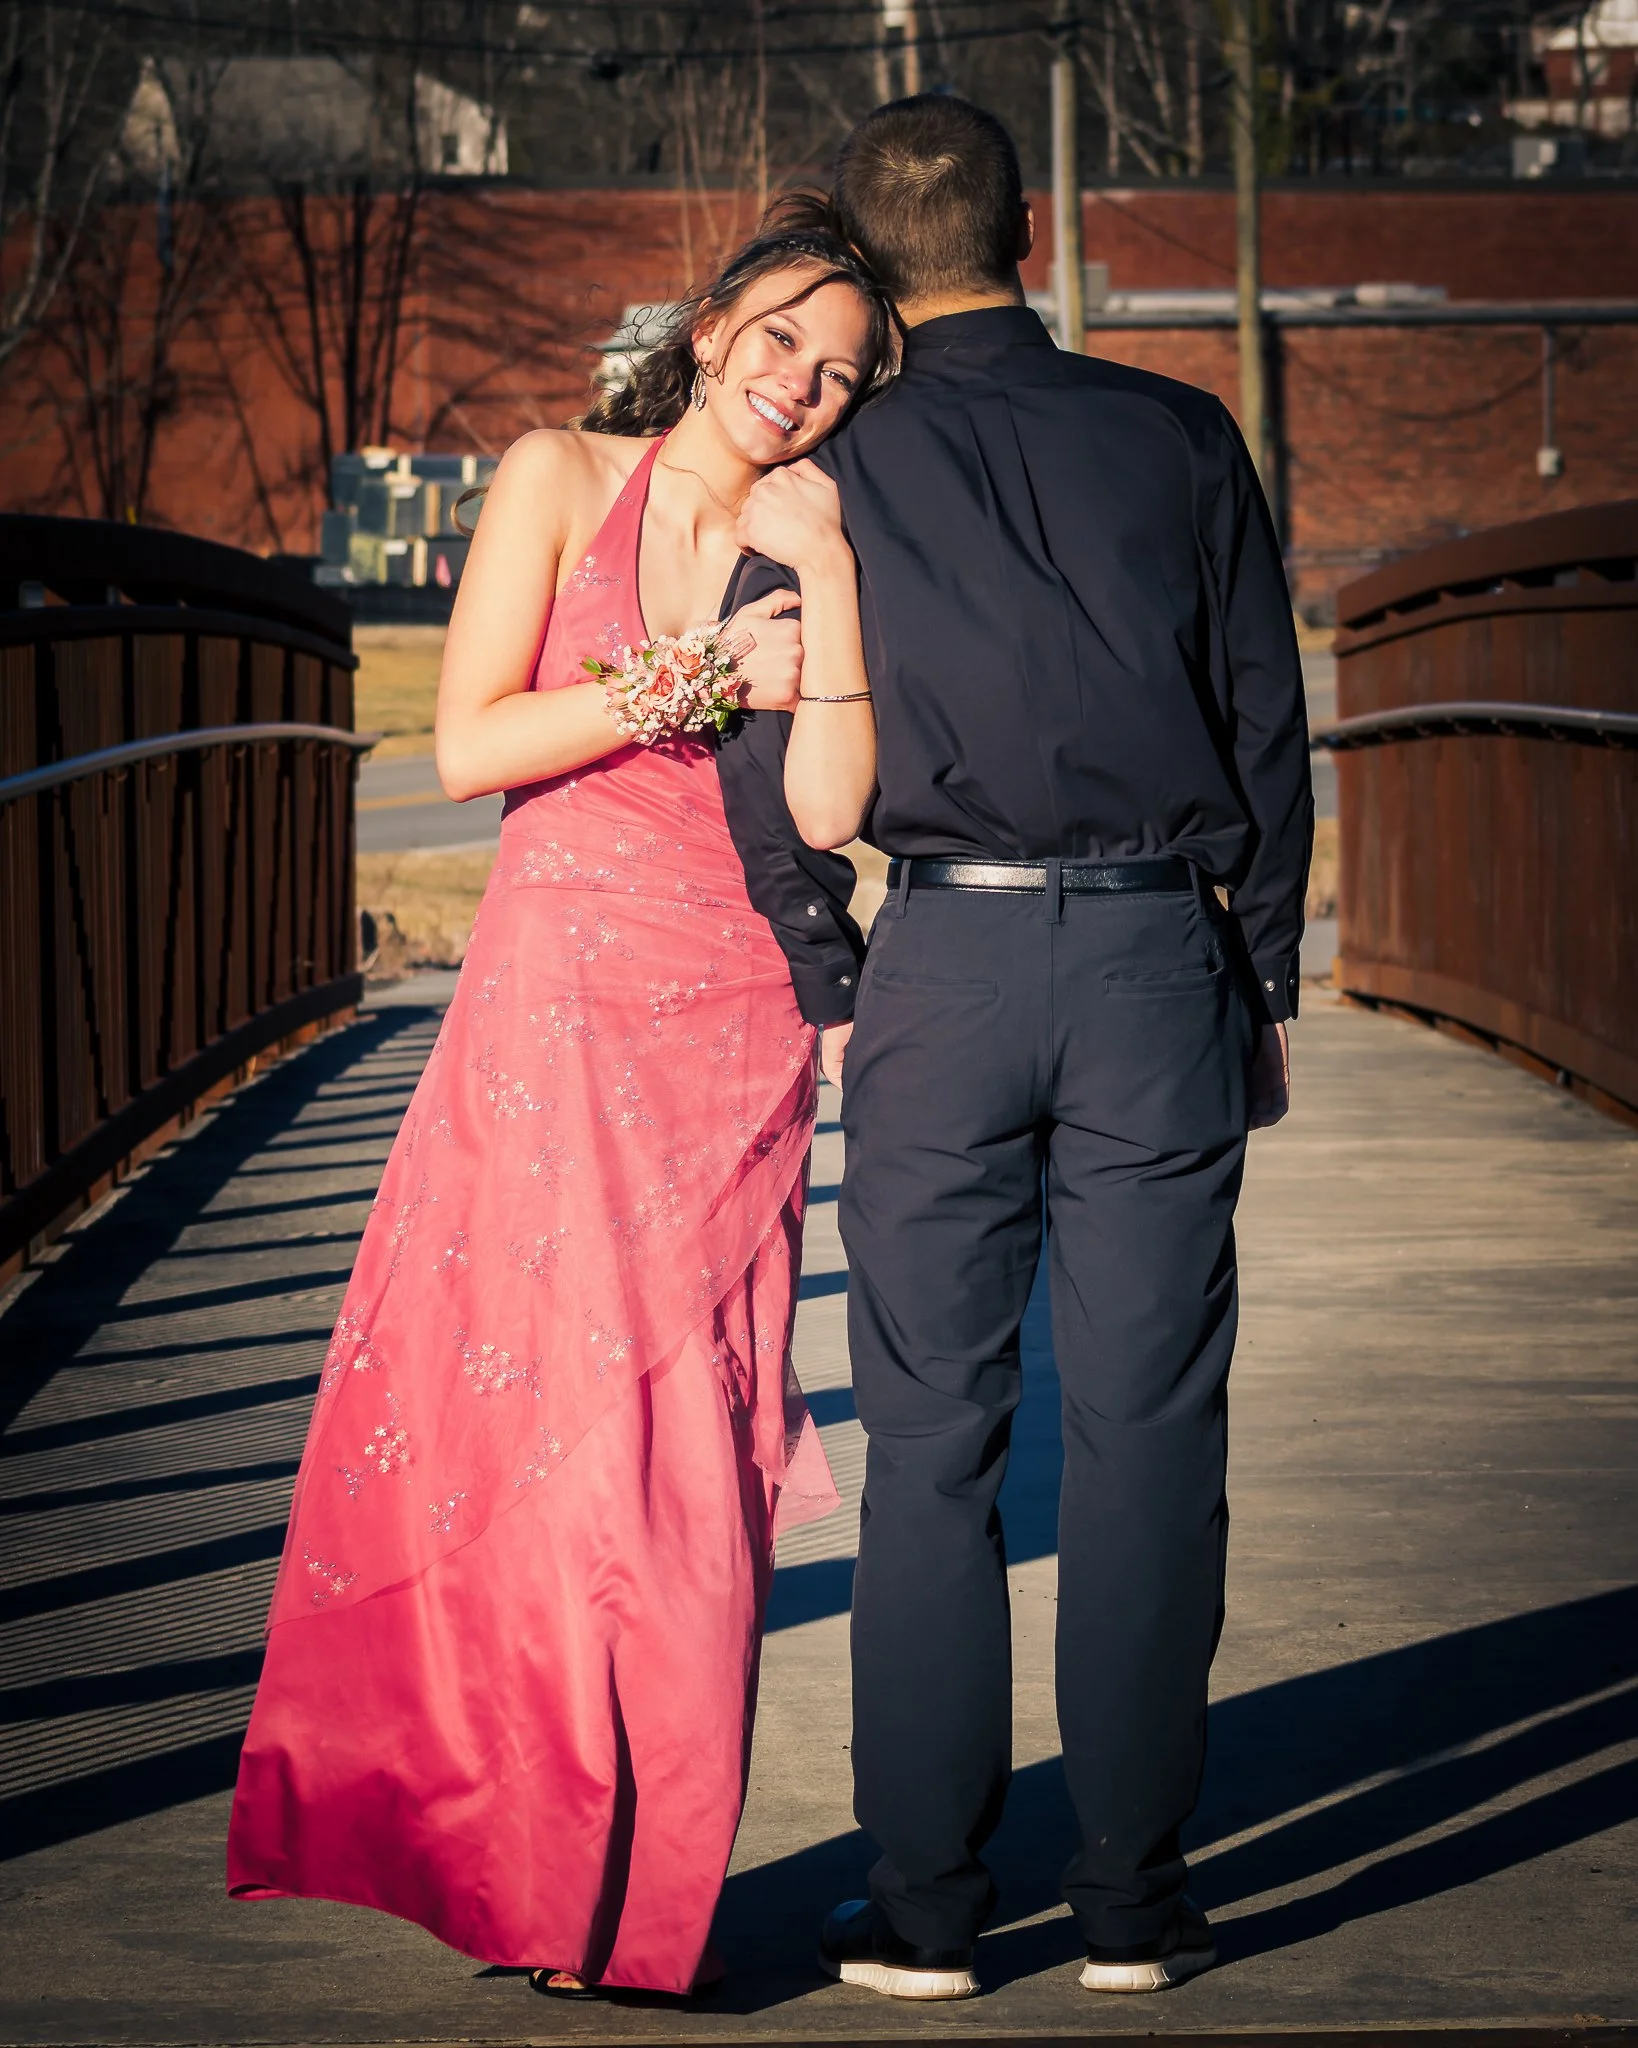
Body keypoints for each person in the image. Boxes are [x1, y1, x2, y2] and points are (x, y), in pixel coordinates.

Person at [224, 205, 889, 2002]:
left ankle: (636, 1901)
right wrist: (682, 677)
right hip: (548, 1014)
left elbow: (830, 811)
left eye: (839, 377)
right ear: (714, 319)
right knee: (529, 1449)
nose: (800, 389)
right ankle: (520, 1868)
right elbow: (467, 745)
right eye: (781, 343)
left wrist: (823, 586)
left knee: (680, 1469)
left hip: (729, 1023)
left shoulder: (826, 529)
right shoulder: (551, 468)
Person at [724, 99, 1313, 2001]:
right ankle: (1134, 1911)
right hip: (1155, 959)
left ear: (872, 267)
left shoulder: (824, 469)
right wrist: (1264, 983)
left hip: (945, 965)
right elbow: (1260, 733)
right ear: (1033, 229)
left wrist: (836, 969)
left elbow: (764, 756)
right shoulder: (1177, 435)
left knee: (933, 1441)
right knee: (1150, 1436)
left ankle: (923, 1912)